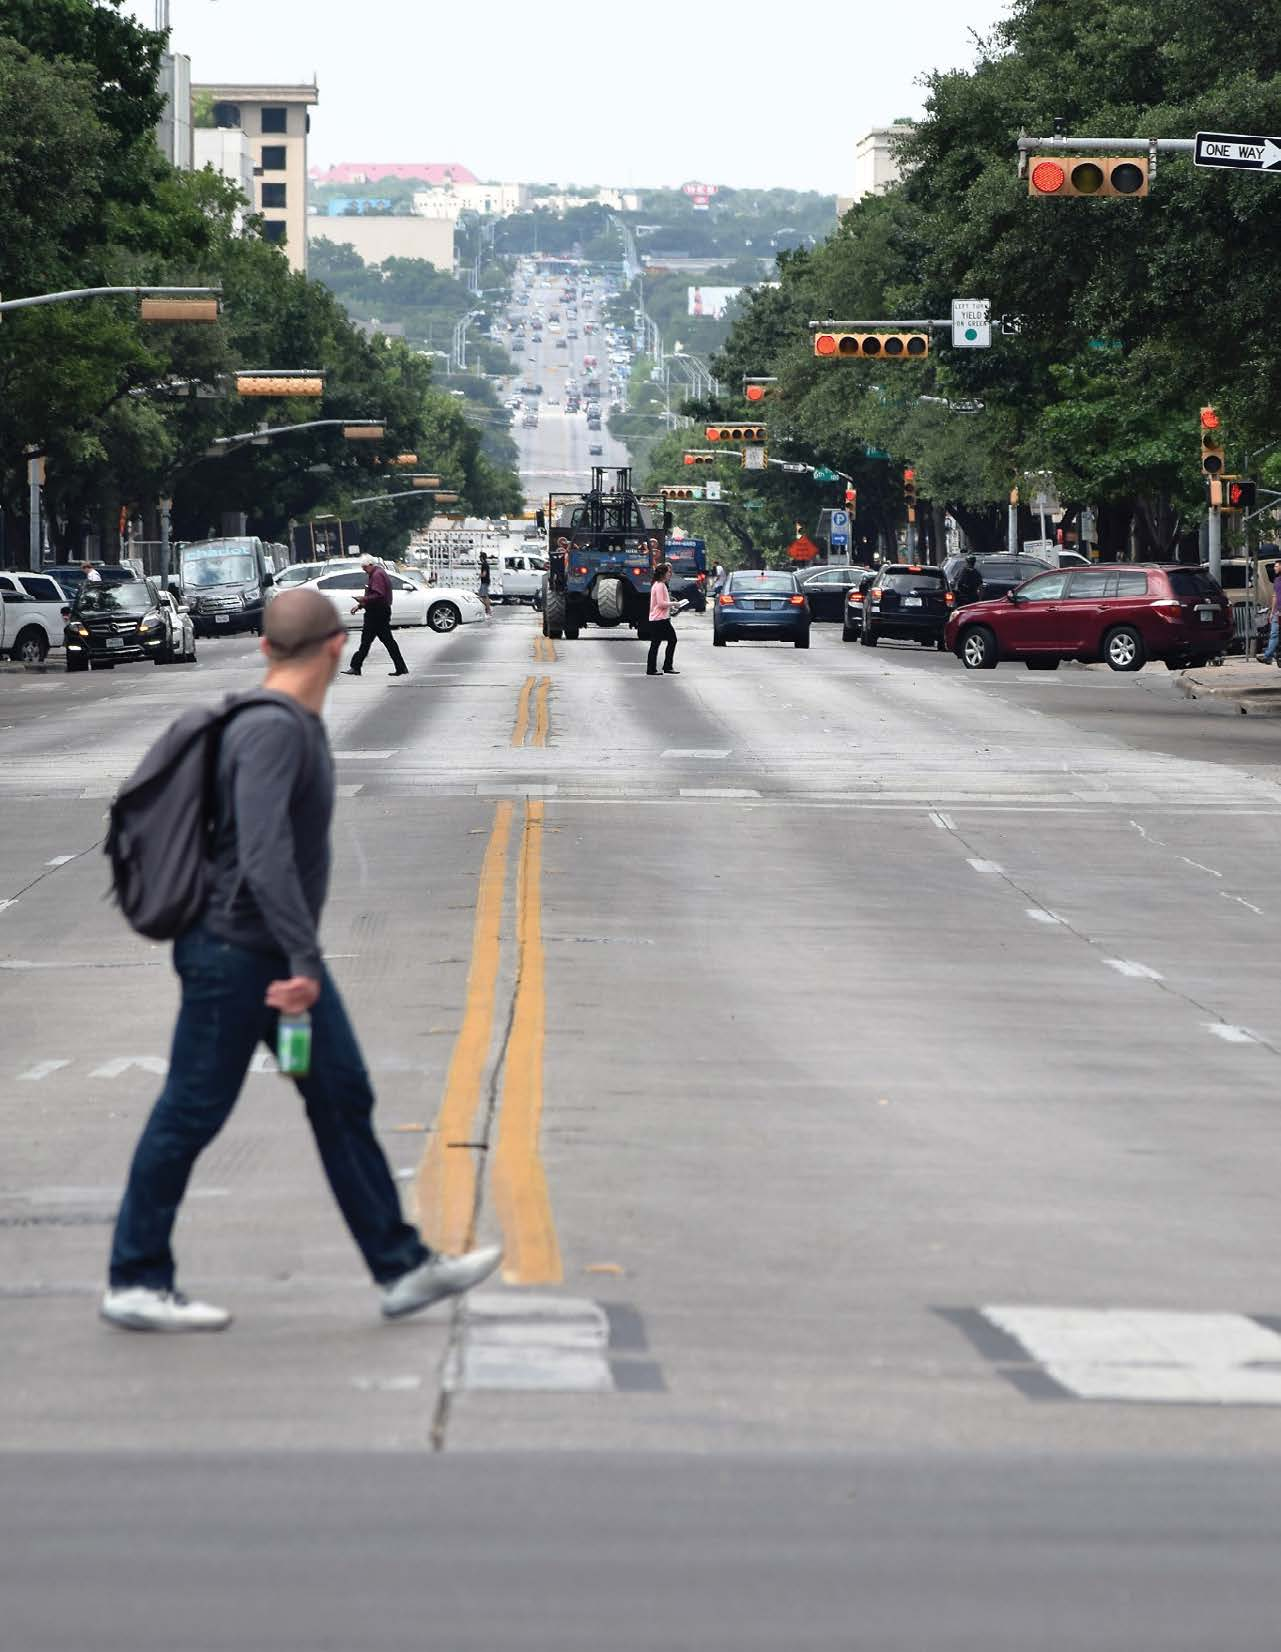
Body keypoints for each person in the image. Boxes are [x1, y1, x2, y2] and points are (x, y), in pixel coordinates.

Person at [100, 589, 501, 1332]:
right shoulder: (275, 731)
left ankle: (402, 1267)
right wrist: (301, 960)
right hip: (239, 955)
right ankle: (135, 1276)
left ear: (264, 648)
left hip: (260, 951)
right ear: (338, 646)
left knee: (341, 1098)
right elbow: (262, 853)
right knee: (191, 1111)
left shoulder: (277, 723)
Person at [342, 554, 407, 677]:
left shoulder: (377, 575)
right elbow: (375, 596)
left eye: (365, 567)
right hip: (377, 612)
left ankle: (356, 666)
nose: (363, 570)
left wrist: (363, 599)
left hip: (377, 614)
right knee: (378, 641)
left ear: (371, 565)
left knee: (373, 641)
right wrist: (360, 605)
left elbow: (379, 595)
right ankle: (400, 667)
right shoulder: (377, 573)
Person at [647, 561, 678, 676]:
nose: (670, 574)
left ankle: (654, 668)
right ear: (663, 574)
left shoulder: (658, 585)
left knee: (656, 643)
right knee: (671, 640)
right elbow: (660, 603)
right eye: (668, 572)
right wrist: (674, 604)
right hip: (660, 619)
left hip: (658, 618)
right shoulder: (660, 585)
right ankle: (665, 666)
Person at [1259, 561, 1281, 665]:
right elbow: (1275, 596)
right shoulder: (1276, 580)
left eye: (1276, 566)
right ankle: (1268, 656)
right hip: (1277, 611)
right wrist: (1272, 612)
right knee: (1274, 634)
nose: (1274, 568)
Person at [477, 552, 493, 618]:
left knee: (483, 596)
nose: (479, 558)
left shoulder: (484, 564)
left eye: (480, 557)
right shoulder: (486, 564)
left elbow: (484, 574)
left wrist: (479, 576)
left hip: (484, 582)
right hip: (486, 581)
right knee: (484, 596)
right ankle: (488, 610)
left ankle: (488, 611)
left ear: (481, 557)